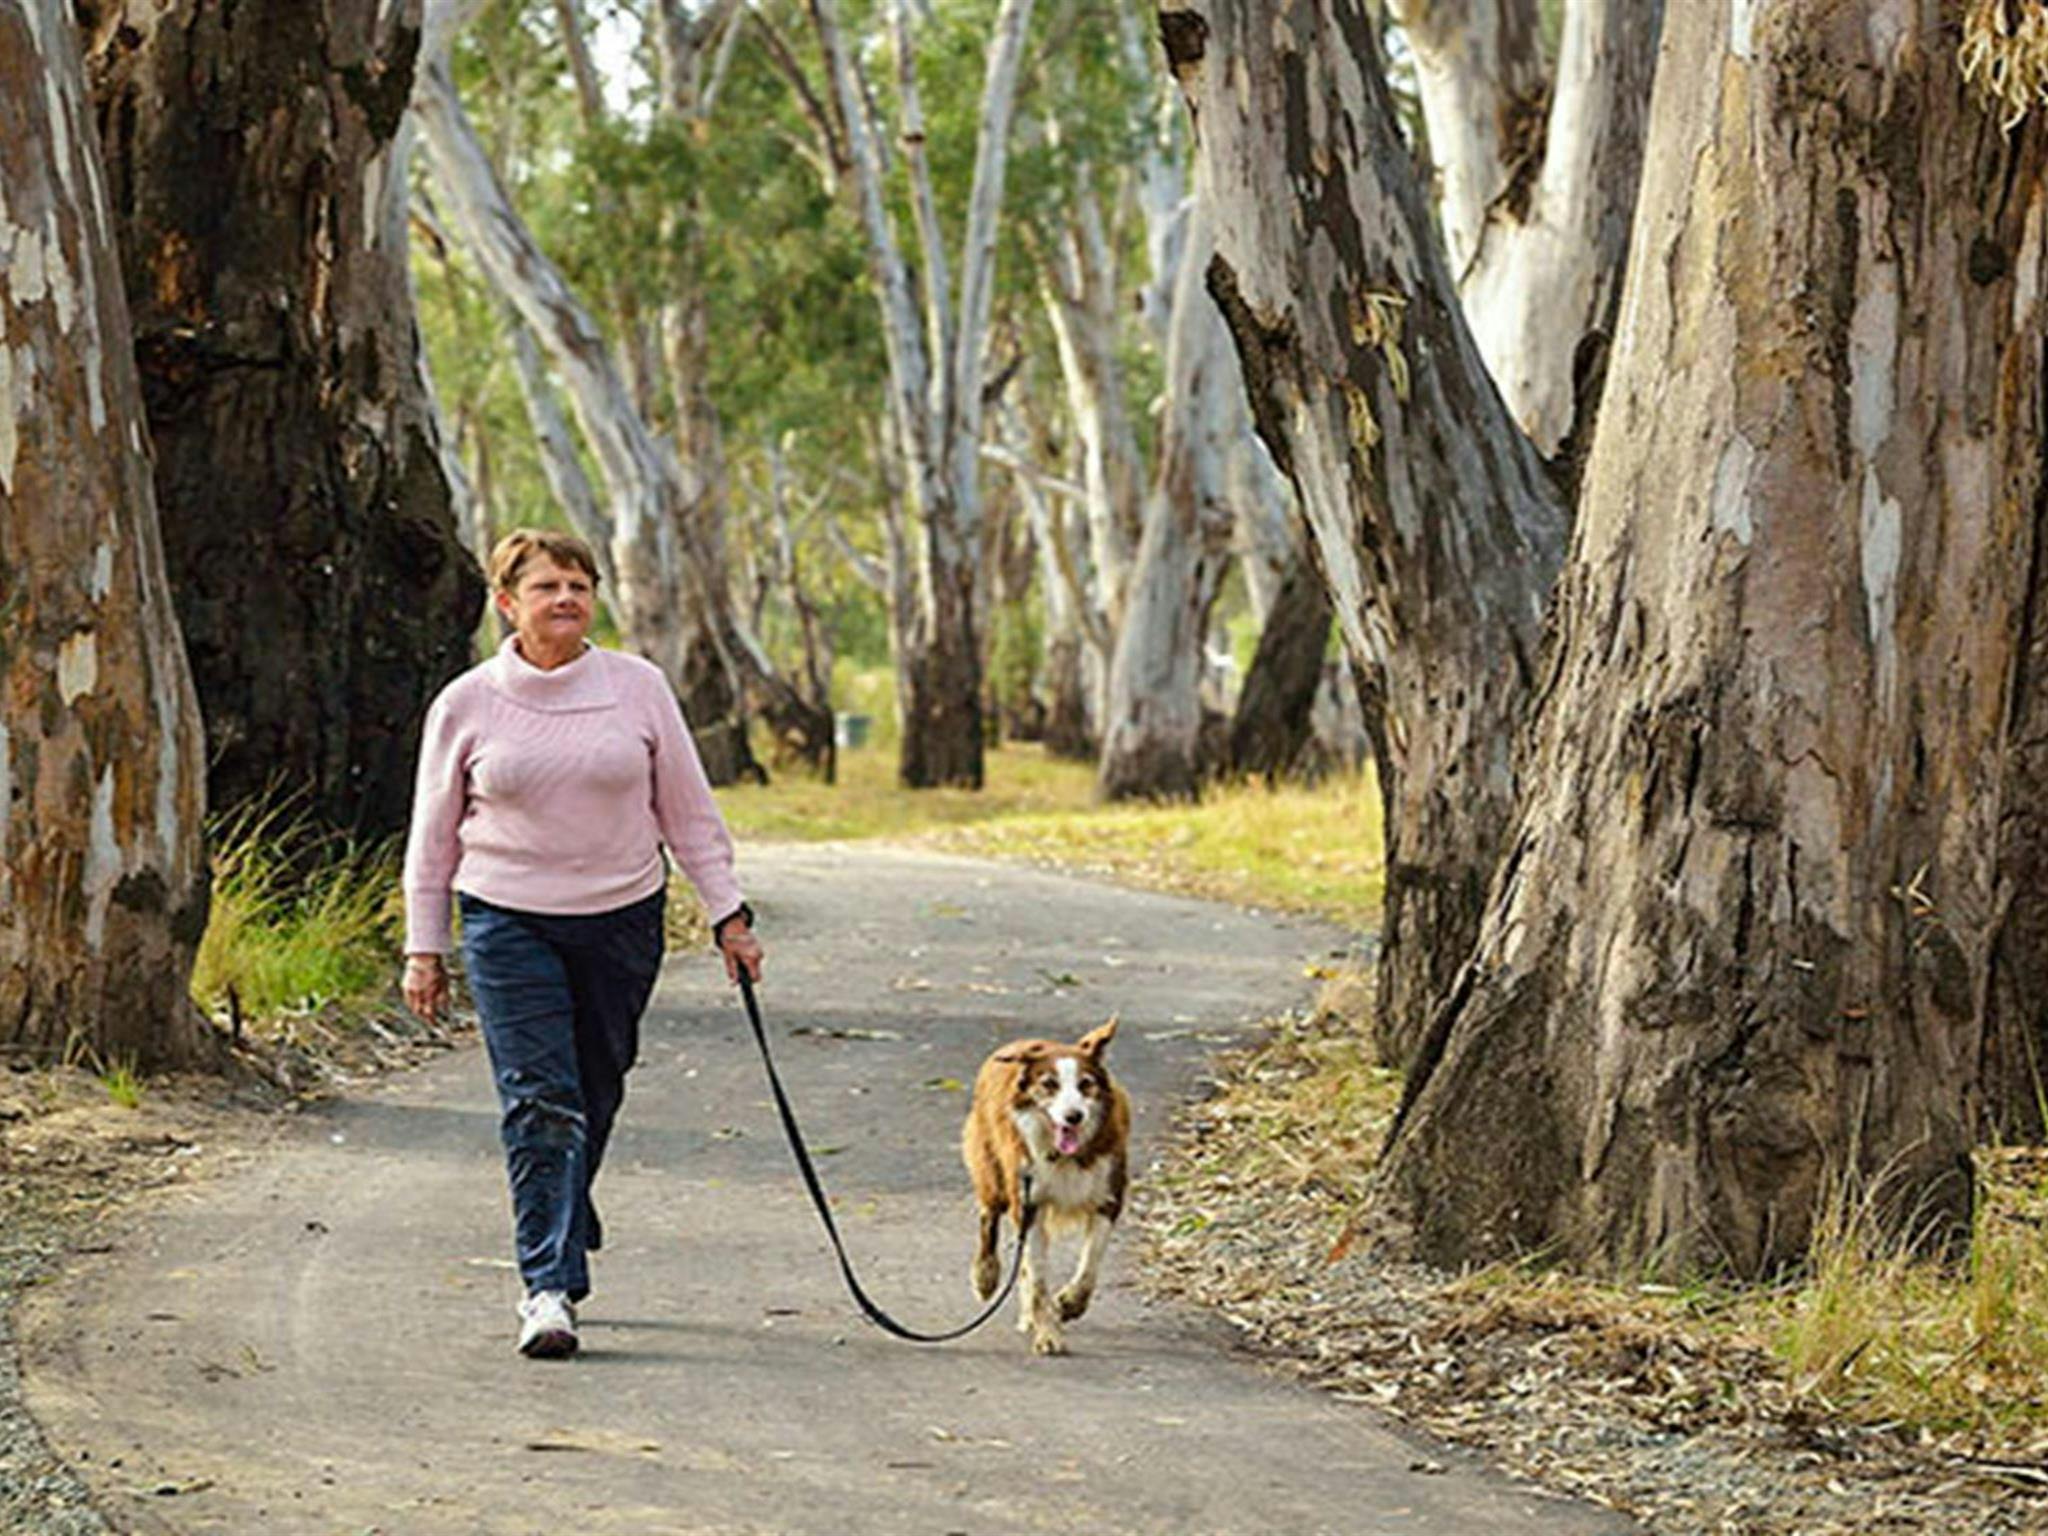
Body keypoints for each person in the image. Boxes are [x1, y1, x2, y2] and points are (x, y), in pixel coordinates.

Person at [400, 528, 764, 1360]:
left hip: (622, 918)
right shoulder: (466, 702)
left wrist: (729, 916)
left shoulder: (638, 689)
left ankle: (566, 1202)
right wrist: (426, 947)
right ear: (506, 603)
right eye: (545, 587)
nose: (565, 598)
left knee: (595, 1085)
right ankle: (548, 1288)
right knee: (541, 1098)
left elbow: (688, 811)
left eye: (578, 584)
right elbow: (432, 837)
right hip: (505, 918)